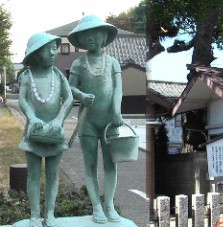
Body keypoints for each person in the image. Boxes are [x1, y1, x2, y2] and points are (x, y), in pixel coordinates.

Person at [67, 15, 124, 223]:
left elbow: (118, 89)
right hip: (87, 120)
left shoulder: (112, 62)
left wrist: (117, 111)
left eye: (95, 34)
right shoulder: (78, 63)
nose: (91, 38)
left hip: (110, 120)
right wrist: (81, 96)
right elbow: (70, 88)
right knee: (90, 164)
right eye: (86, 36)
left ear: (104, 36)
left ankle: (109, 204)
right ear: (81, 40)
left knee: (111, 164)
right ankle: (96, 207)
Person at [17, 32, 73, 227]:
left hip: (54, 133)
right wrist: (32, 118)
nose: (52, 53)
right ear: (35, 54)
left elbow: (69, 99)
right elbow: (23, 99)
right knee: (33, 174)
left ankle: (50, 213)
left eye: (53, 49)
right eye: (46, 50)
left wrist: (58, 120)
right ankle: (34, 214)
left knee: (53, 175)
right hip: (33, 133)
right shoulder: (26, 76)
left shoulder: (57, 75)